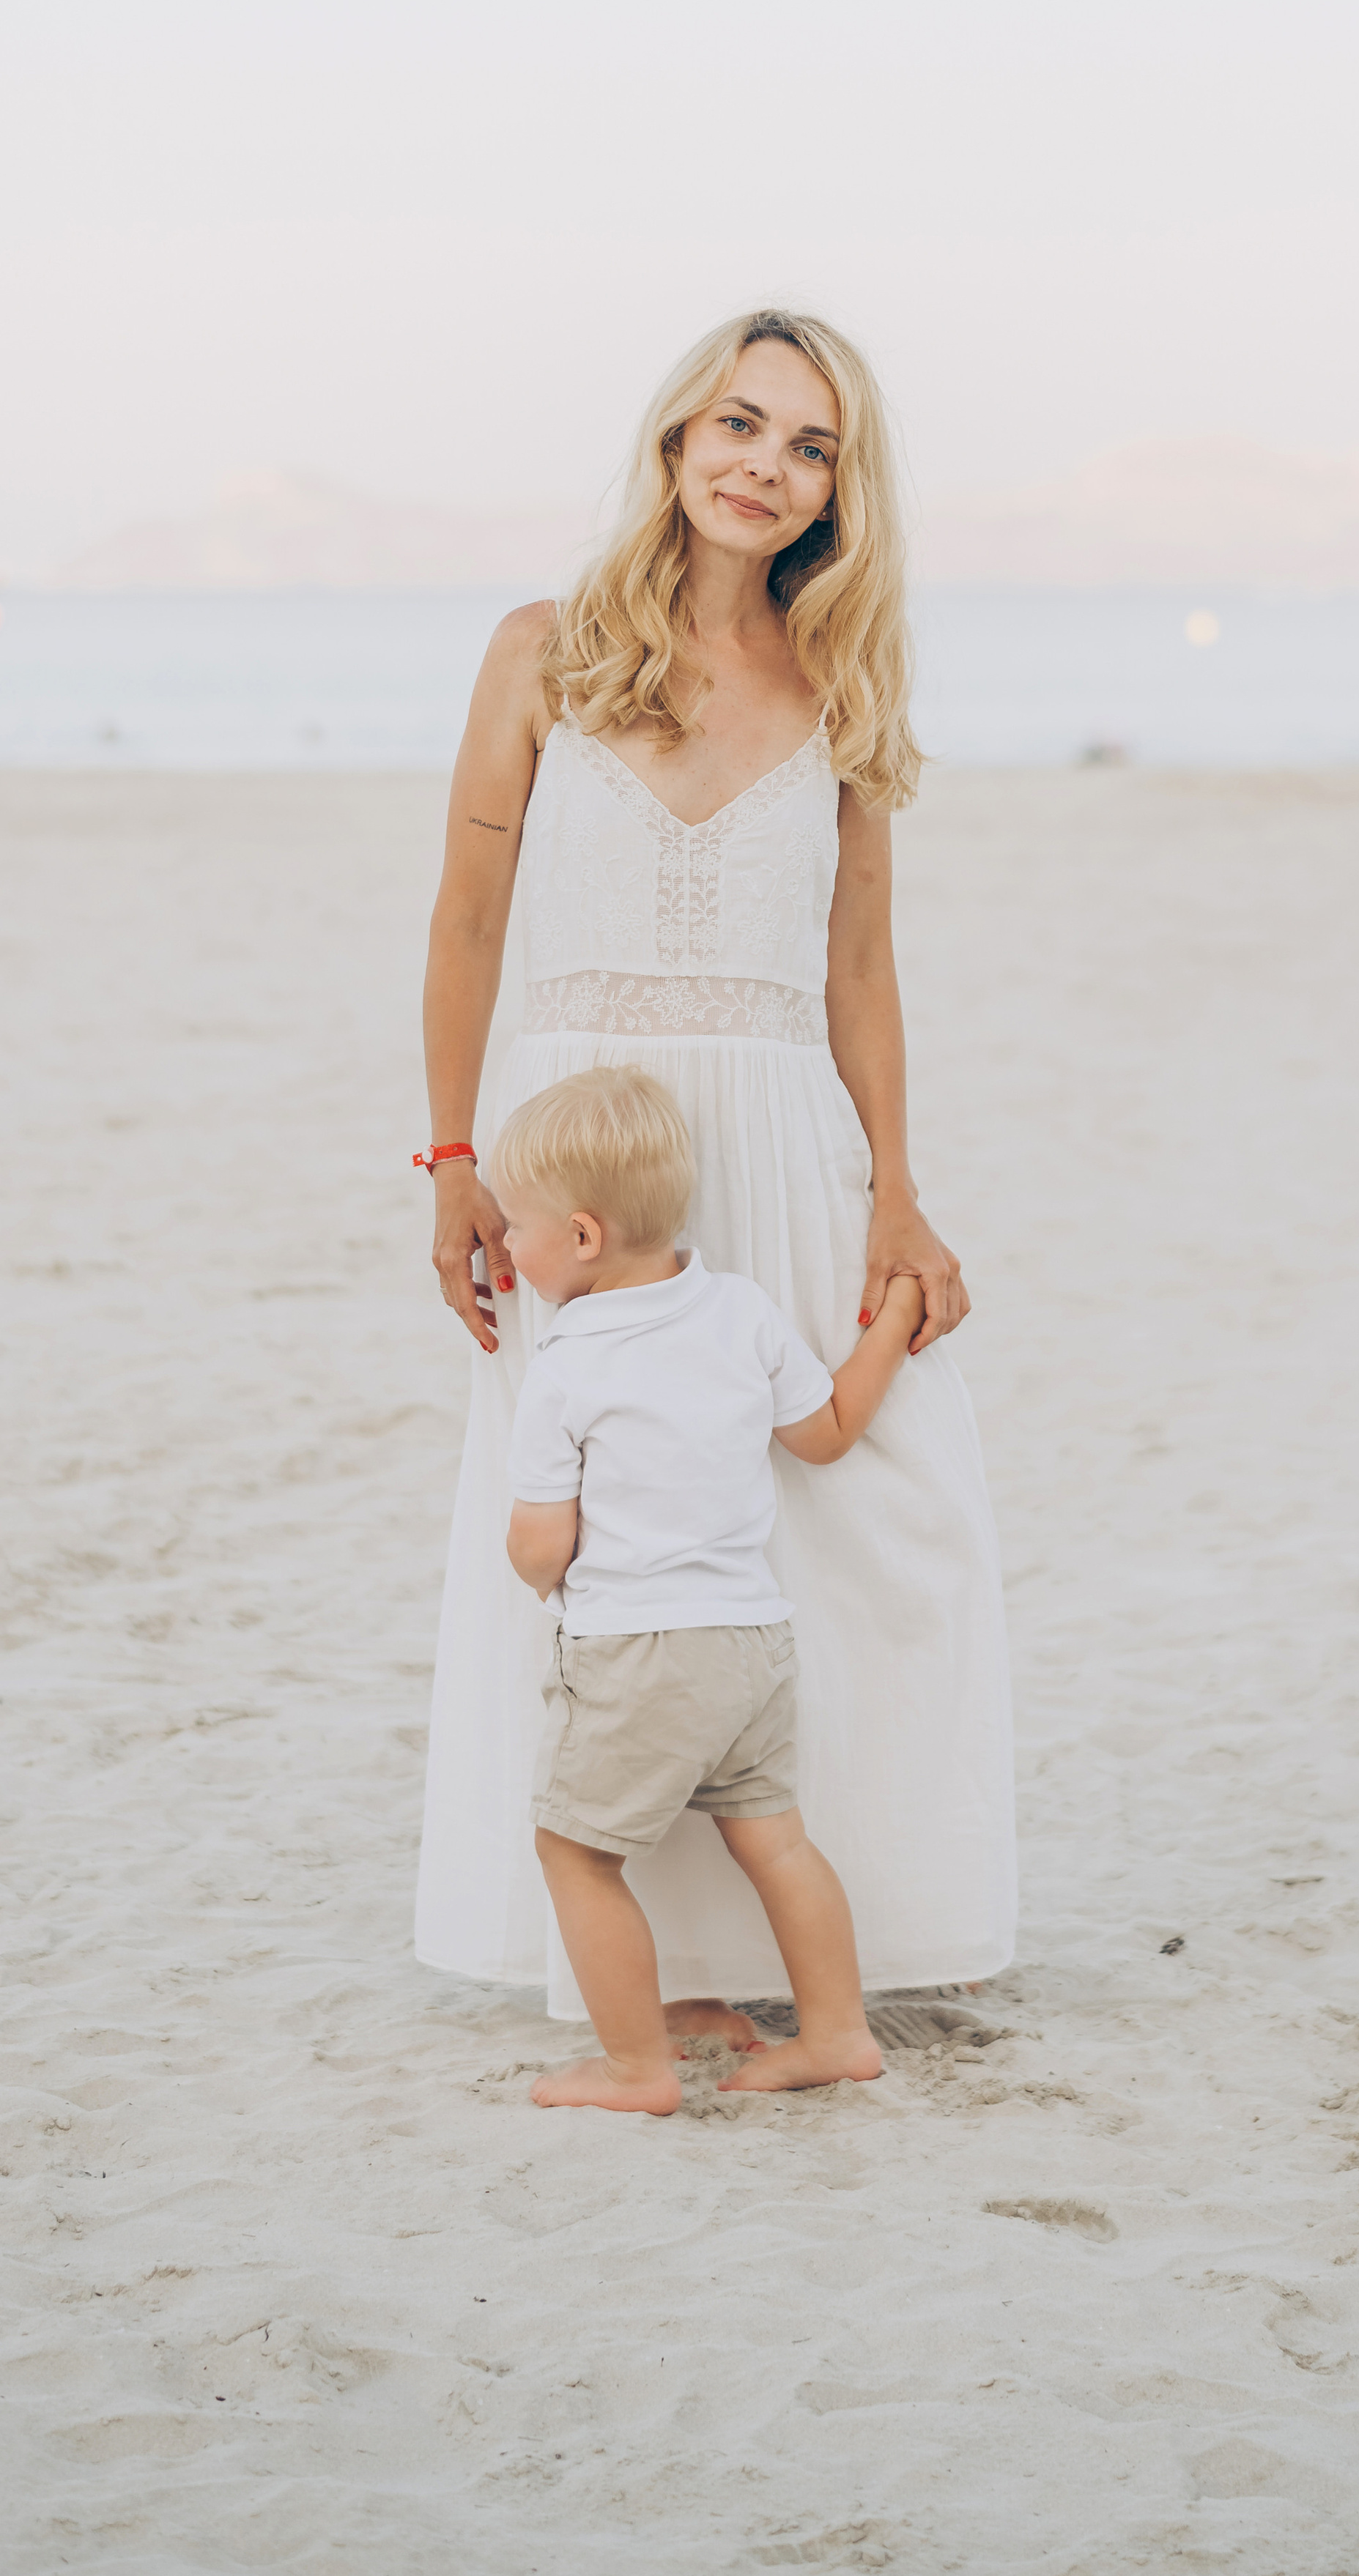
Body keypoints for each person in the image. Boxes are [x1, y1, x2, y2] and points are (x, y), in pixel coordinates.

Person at [415, 307, 1015, 2027]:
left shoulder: (837, 684)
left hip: (782, 1138)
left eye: (808, 444)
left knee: (877, 1506)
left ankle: (865, 1932)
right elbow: (464, 923)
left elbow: (859, 974)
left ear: (840, 488)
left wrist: (896, 1188)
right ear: (677, 442)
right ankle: (655, 1971)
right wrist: (453, 1160)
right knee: (612, 1535)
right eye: (738, 426)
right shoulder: (539, 650)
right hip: (584, 1154)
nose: (765, 464)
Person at [492, 1066, 925, 2115]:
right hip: (752, 1640)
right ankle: (837, 2032)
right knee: (775, 1836)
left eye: (517, 1225)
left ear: (583, 1238)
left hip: (639, 1648)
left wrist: (539, 1559)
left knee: (575, 1851)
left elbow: (542, 1546)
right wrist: (898, 1312)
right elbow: (824, 1435)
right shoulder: (740, 1310)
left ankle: (636, 2067)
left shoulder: (565, 1363)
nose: (506, 1245)